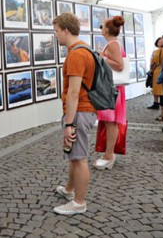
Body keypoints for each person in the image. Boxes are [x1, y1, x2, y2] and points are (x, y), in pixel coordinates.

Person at [52, 12, 97, 215]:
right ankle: (70, 190)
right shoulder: (84, 48)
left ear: (65, 30)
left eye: (56, 31)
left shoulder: (77, 54)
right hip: (83, 110)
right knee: (74, 155)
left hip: (80, 111)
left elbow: (73, 92)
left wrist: (69, 124)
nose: (55, 36)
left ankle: (79, 203)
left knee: (79, 158)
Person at [93, 16, 126, 170]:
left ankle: (109, 154)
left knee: (110, 122)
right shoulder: (113, 43)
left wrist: (102, 58)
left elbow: (119, 65)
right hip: (112, 88)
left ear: (106, 30)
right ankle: (108, 153)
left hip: (111, 89)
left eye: (101, 26)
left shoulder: (112, 44)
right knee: (109, 121)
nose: (100, 29)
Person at [148, 37, 163, 122]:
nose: (159, 41)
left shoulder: (158, 51)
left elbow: (153, 62)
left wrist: (151, 70)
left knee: (161, 93)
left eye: (161, 40)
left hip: (159, 71)